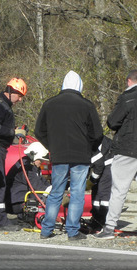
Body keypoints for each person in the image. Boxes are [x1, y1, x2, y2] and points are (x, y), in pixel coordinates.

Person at [93, 70, 137, 240]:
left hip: (127, 149)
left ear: (129, 81)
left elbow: (112, 122)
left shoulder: (127, 97)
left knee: (119, 189)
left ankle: (110, 228)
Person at [34, 71, 102, 240]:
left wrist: (52, 147)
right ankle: (72, 231)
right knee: (77, 193)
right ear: (80, 85)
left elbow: (39, 131)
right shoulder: (87, 105)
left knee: (56, 192)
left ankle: (46, 229)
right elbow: (97, 134)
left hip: (59, 155)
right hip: (80, 156)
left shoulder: (49, 104)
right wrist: (89, 148)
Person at [0, 78, 28, 231]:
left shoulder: (1, 104)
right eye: (19, 96)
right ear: (10, 92)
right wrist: (13, 132)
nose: (20, 100)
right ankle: (0, 222)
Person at [88, 136, 114, 233]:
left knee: (104, 194)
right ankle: (96, 219)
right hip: (104, 162)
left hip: (109, 164)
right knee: (95, 193)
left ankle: (103, 221)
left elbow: (98, 165)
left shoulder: (89, 143)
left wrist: (92, 180)